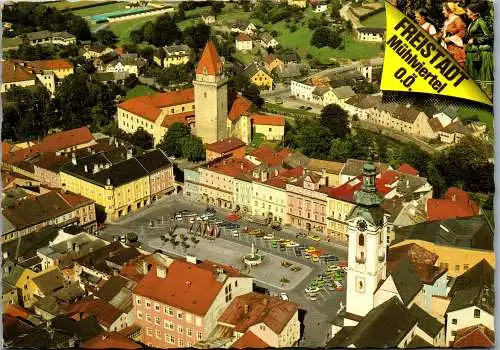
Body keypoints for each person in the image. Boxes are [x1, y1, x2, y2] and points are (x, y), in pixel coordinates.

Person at [465, 2, 493, 95]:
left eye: (468, 11)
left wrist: (475, 40)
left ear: (474, 12)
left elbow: (487, 36)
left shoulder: (481, 22)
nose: (466, 13)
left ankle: (486, 94)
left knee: (482, 75)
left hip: (481, 53)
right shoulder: (473, 22)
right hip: (474, 52)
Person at [434, 2, 467, 66]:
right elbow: (443, 33)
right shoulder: (446, 21)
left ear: (449, 10)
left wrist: (450, 39)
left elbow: (463, 32)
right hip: (447, 47)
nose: (442, 12)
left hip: (456, 48)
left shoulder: (457, 19)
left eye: (444, 10)